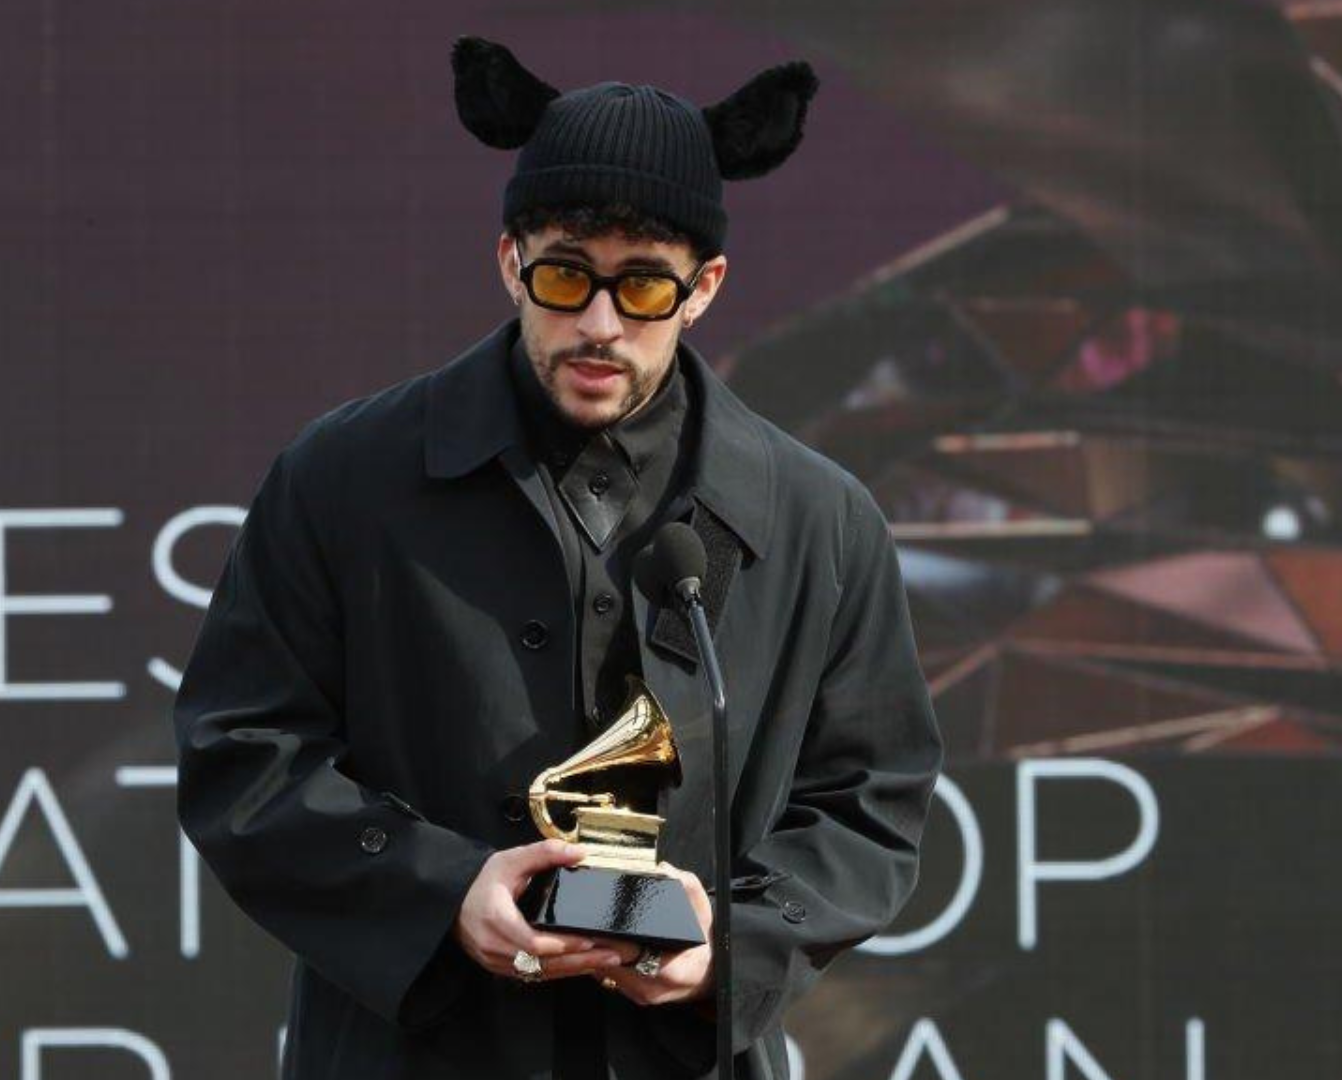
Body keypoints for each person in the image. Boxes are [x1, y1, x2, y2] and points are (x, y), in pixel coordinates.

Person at [172, 36, 943, 1080]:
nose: (599, 324)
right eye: (566, 276)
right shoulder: (343, 478)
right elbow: (244, 751)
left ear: (705, 287)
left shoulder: (819, 518)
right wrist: (442, 893)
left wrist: (731, 945)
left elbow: (870, 796)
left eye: (645, 288)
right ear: (510, 261)